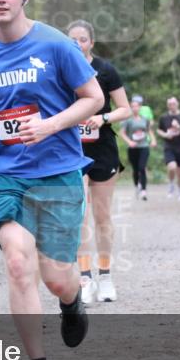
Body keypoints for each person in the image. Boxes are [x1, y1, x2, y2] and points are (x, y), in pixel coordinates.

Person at [0, 0, 104, 360]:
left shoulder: (56, 45)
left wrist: (50, 125)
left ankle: (71, 301)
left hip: (58, 173)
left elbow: (94, 98)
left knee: (57, 278)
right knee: (17, 262)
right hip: (7, 174)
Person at [66, 20, 132, 305]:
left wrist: (102, 118)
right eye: (72, 40)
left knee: (102, 217)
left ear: (91, 42)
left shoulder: (105, 70)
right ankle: (85, 279)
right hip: (72, 151)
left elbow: (125, 109)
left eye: (82, 39)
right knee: (79, 216)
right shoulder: (62, 70)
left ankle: (105, 276)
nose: (77, 44)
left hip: (103, 150)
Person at [120, 94, 155, 201]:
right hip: (133, 148)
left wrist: (153, 140)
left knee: (142, 167)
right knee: (135, 169)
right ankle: (137, 186)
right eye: (132, 106)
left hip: (144, 146)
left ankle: (144, 191)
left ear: (140, 107)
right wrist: (129, 142)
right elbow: (122, 133)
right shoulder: (128, 120)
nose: (135, 108)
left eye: (136, 106)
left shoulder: (145, 119)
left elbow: (149, 130)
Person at [156, 96, 180, 202]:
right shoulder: (164, 117)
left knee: (179, 172)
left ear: (178, 104)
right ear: (167, 106)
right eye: (170, 104)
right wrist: (165, 135)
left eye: (174, 103)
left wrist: (179, 127)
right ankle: (171, 184)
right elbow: (159, 130)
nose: (172, 106)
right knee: (172, 167)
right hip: (169, 147)